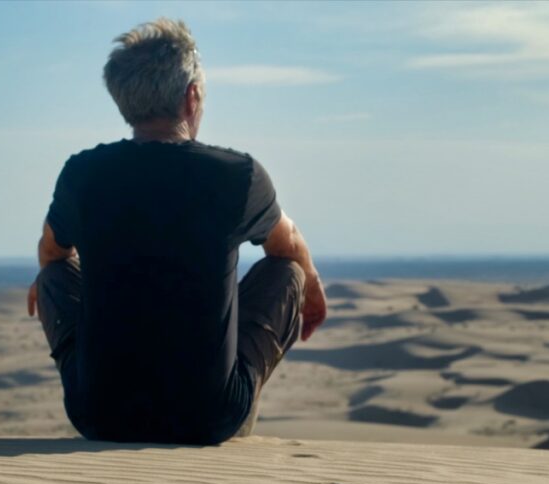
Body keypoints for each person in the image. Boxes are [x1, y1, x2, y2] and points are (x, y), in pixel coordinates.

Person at [26, 18, 327, 445]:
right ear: (192, 96)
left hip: (98, 415)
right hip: (209, 417)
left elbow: (50, 252)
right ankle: (239, 424)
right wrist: (311, 285)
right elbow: (289, 245)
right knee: (288, 272)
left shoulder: (82, 174)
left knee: (52, 275)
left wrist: (53, 283)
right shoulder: (237, 176)